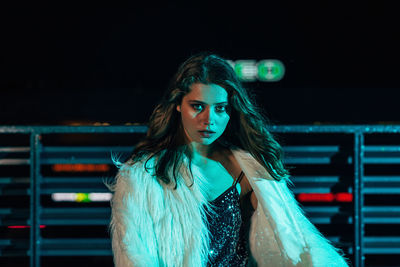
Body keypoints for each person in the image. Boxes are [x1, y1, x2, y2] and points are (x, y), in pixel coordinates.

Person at [107, 53, 350, 266]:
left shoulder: (250, 171)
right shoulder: (143, 178)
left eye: (220, 108)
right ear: (178, 105)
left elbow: (291, 243)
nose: (209, 119)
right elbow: (135, 257)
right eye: (197, 106)